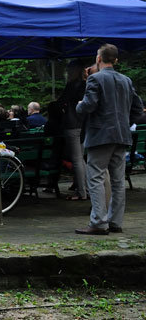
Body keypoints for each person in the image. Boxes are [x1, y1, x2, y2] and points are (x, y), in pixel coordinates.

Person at [75, 44, 143, 235]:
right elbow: (138, 108)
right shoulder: (126, 80)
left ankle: (98, 222)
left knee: (95, 177)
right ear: (116, 60)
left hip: (100, 135)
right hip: (122, 135)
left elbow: (89, 106)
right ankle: (115, 221)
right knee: (118, 180)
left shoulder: (95, 79)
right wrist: (123, 121)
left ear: (98, 59)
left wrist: (79, 105)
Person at [58, 60, 87, 201]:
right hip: (82, 124)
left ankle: (82, 191)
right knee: (80, 158)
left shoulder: (72, 86)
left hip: (72, 123)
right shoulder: (85, 85)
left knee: (77, 159)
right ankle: (83, 187)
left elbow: (61, 101)